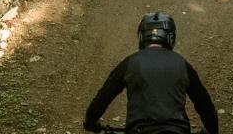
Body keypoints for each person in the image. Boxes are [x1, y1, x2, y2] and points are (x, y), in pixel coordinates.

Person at [83, 12, 218, 134]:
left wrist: (90, 122)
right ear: (170, 37)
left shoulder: (130, 63)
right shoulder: (182, 64)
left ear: (142, 36)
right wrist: (212, 130)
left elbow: (103, 97)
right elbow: (204, 104)